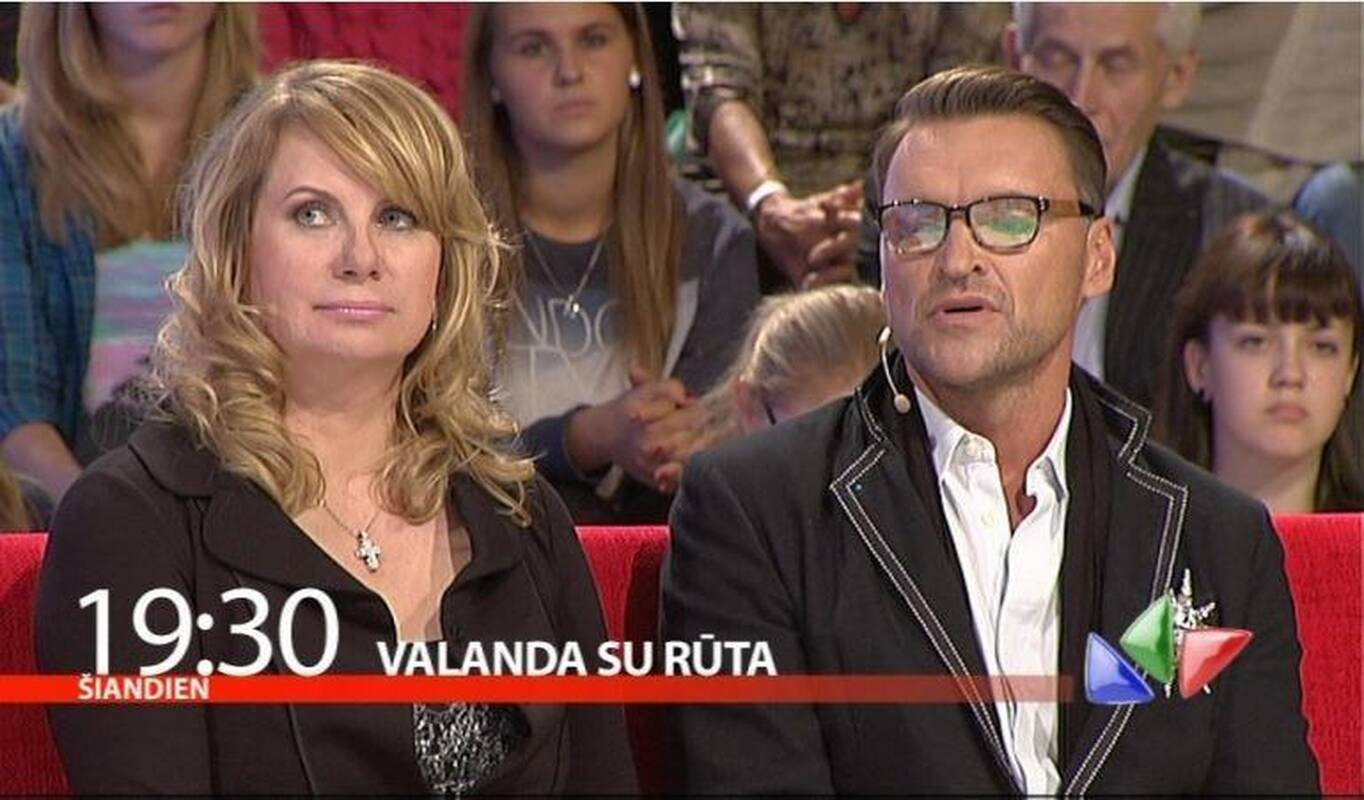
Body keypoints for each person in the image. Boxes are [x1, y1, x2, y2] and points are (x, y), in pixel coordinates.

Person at [663, 65, 1318, 794]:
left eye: (1008, 217)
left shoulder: (1218, 539)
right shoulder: (754, 512)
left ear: (1097, 258)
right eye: (917, 223)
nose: (957, 259)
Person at [35, 60, 635, 795]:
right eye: (313, 214)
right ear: (235, 251)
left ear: (444, 266)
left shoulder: (521, 512)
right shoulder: (131, 524)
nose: (360, 259)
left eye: (397, 217)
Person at [859, 4, 1271, 411]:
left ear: (1177, 75)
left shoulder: (1231, 230)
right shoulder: (910, 212)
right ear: (1015, 55)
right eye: (1057, 58)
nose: (1080, 97)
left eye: (1116, 65)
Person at [462, 3, 760, 524]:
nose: (569, 71)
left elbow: (712, 438)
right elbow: (425, 446)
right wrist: (584, 437)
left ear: (637, 59)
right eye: (534, 48)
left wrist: (669, 436)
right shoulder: (443, 238)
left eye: (594, 40)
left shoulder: (714, 241)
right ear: (492, 76)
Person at [0, 3, 257, 504]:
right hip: (79, 511)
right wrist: (107, 519)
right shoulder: (12, 160)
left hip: (254, 500)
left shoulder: (283, 147)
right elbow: (14, 411)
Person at [676, 3, 1007, 289]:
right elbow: (718, 93)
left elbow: (956, 110)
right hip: (744, 209)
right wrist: (770, 207)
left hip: (904, 205)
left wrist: (873, 224)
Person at [1156, 212, 1363, 514]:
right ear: (1199, 366)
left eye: (1322, 347)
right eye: (1255, 342)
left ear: (1350, 373)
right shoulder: (1133, 534)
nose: (1290, 374)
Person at [659, 284, 885, 493]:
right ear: (749, 408)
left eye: (873, 450)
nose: (844, 482)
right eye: (811, 450)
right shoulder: (710, 510)